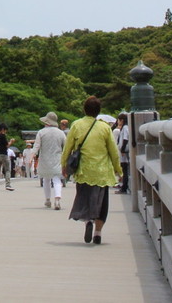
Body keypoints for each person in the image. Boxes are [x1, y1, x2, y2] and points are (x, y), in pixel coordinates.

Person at [61, 96, 121, 245]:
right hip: (102, 172)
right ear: (99, 111)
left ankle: (87, 220)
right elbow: (113, 151)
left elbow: (67, 148)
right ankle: (98, 233)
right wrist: (118, 169)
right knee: (102, 203)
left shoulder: (76, 125)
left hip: (83, 170)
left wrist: (64, 165)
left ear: (84, 109)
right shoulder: (105, 127)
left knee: (85, 198)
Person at [33, 112, 66, 210]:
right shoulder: (61, 133)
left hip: (45, 160)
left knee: (46, 180)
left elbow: (37, 146)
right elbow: (66, 146)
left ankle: (48, 199)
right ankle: (57, 200)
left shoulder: (41, 132)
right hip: (57, 159)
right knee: (57, 180)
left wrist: (32, 155)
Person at [0, 123, 15, 191]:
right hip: (4, 154)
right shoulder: (3, 136)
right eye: (5, 130)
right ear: (2, 129)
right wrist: (11, 141)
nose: (5, 131)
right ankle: (8, 185)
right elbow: (7, 145)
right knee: (7, 170)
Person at [114, 113, 130, 194]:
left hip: (124, 152)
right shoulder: (124, 128)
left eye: (118, 120)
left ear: (122, 120)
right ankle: (123, 185)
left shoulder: (125, 128)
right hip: (123, 151)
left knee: (125, 170)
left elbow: (125, 139)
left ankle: (124, 187)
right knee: (124, 170)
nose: (118, 122)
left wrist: (123, 150)